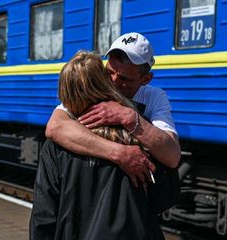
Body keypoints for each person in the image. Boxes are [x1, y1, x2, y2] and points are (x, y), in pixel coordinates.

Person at [30, 51, 164, 240]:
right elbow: (164, 197)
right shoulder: (141, 131)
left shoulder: (57, 145)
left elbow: (44, 215)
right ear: (103, 83)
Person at [45, 32, 181, 187]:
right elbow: (55, 127)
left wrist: (129, 117)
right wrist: (119, 153)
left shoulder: (154, 96)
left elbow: (172, 156)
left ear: (145, 79)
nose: (113, 82)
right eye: (109, 72)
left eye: (124, 78)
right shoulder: (96, 88)